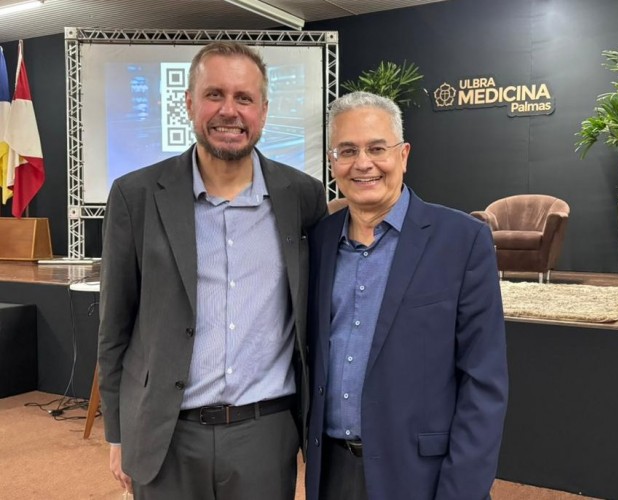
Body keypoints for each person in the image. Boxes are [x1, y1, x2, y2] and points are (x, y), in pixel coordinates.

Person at [97, 41, 327, 499]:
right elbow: (115, 327)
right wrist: (118, 433)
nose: (229, 111)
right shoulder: (135, 195)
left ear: (263, 110)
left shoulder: (303, 197)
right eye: (214, 94)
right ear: (188, 103)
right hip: (167, 433)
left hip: (265, 434)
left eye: (244, 98)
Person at [305, 91, 509, 500]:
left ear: (403, 155)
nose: (363, 163)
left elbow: (483, 382)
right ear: (332, 162)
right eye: (348, 151)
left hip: (422, 477)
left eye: (377, 148)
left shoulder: (462, 241)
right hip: (332, 474)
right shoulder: (319, 241)